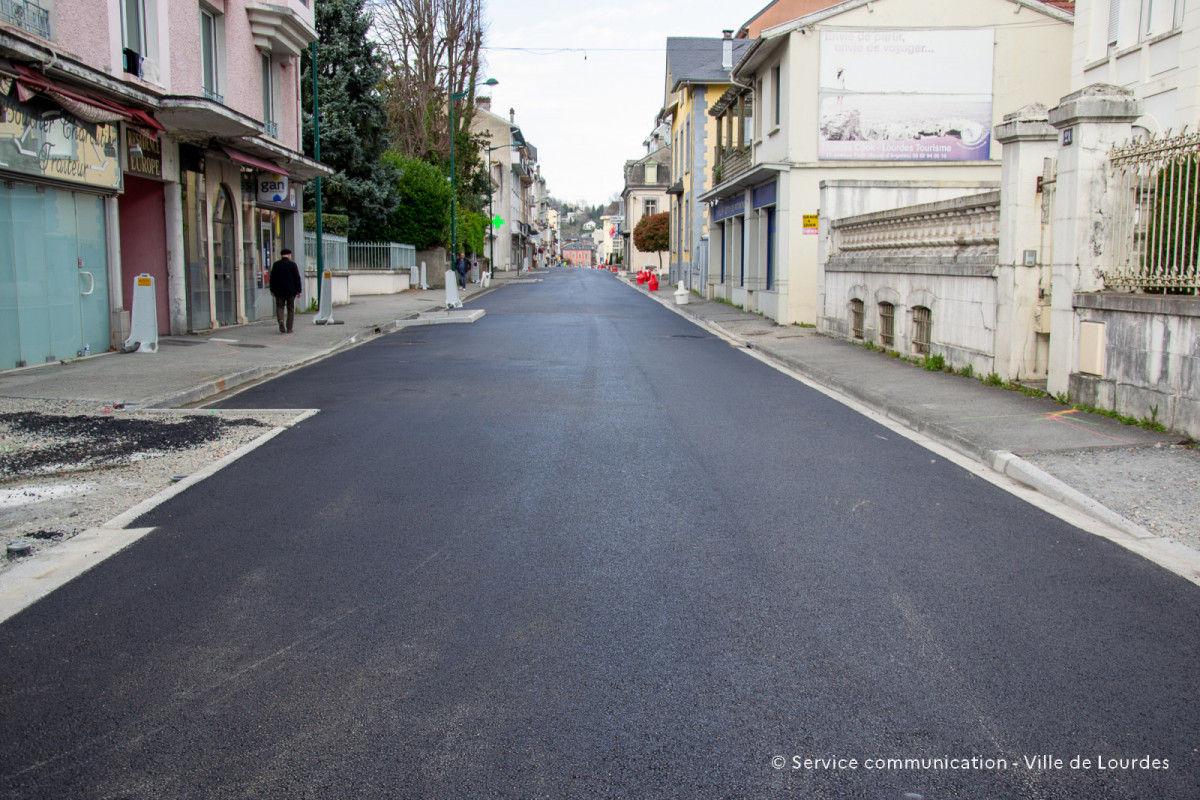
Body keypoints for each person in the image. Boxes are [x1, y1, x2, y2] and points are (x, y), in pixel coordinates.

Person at [269, 248, 302, 333]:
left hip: (279, 291)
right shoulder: (293, 265)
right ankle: (289, 328)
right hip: (291, 291)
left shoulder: (276, 265)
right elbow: (297, 278)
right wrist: (299, 290)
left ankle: (281, 320)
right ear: (289, 255)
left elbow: (272, 278)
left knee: (280, 306)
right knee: (290, 309)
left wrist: (272, 290)